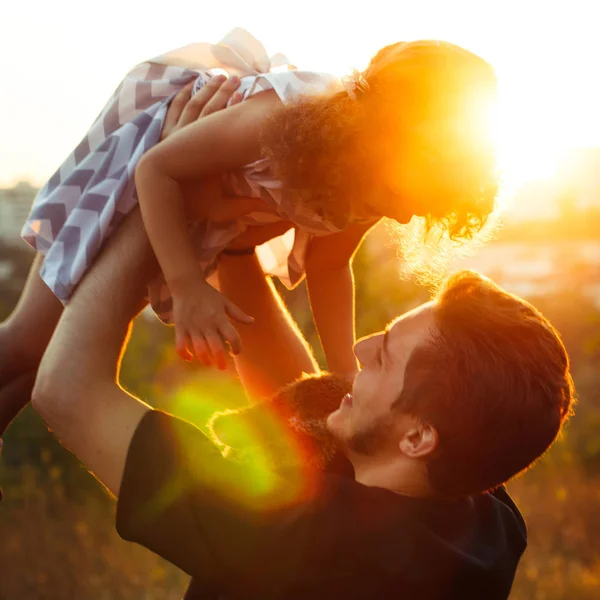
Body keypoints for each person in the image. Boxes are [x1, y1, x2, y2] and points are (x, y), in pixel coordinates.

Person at [29, 149, 574, 599]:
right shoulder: (485, 523)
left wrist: (154, 197)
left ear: (418, 437)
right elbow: (311, 404)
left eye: (383, 356)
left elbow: (67, 389)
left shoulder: (302, 545)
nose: (360, 348)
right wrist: (237, 244)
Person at [0, 28, 499, 450]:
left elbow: (329, 268)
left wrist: (345, 374)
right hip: (148, 175)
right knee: (27, 340)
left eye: (423, 205)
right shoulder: (280, 117)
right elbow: (157, 169)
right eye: (402, 191)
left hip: (192, 218)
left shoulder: (372, 188)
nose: (402, 211)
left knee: (49, 350)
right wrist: (189, 285)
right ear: (376, 139)